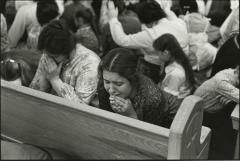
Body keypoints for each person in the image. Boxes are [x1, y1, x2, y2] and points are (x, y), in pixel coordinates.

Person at [107, 0, 188, 83]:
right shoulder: (179, 22)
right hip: (185, 64)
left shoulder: (151, 34)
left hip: (157, 69)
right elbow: (169, 13)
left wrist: (113, 19)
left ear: (145, 21)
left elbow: (122, 40)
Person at [30, 19, 100, 105]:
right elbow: (33, 93)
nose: (48, 58)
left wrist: (54, 79)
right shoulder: (49, 54)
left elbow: (80, 107)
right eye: (45, 54)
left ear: (67, 51)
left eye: (53, 56)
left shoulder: (90, 64)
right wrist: (45, 76)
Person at [98, 48, 165, 126]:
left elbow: (149, 134)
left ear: (133, 80)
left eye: (119, 84)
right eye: (107, 82)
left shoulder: (153, 99)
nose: (111, 90)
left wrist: (130, 115)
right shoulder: (103, 84)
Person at [153, 34, 195, 126]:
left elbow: (170, 99)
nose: (157, 56)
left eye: (158, 53)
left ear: (166, 53)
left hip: (175, 107)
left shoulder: (175, 73)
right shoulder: (177, 58)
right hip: (172, 92)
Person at [179, 0, 217, 70]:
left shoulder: (182, 19)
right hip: (202, 55)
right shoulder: (206, 21)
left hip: (188, 55)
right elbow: (217, 33)